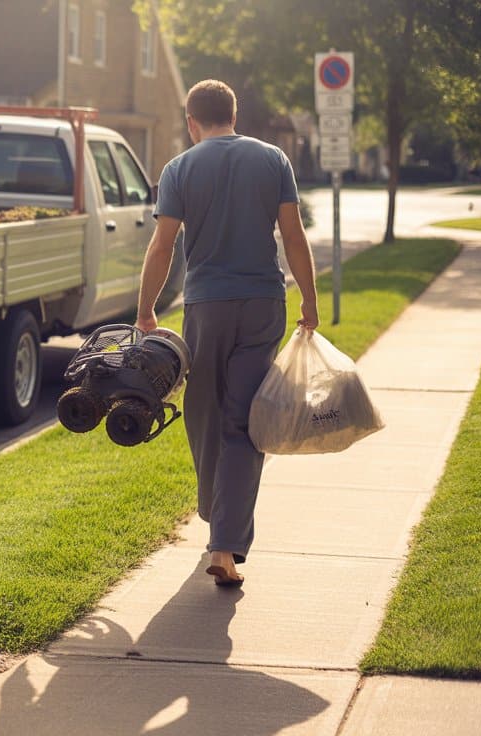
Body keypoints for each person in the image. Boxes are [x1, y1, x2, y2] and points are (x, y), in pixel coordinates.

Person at [134, 79, 318, 587]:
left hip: (206, 306)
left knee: (205, 413)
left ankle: (220, 530)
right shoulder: (273, 159)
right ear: (233, 115)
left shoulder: (180, 168)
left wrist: (146, 310)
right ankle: (226, 538)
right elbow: (293, 235)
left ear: (192, 121)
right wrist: (309, 296)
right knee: (244, 422)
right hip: (263, 304)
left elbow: (162, 246)